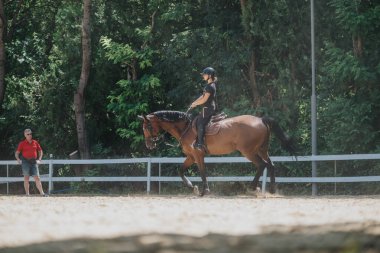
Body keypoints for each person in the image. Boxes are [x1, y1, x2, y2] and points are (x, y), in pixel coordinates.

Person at [190, 67, 218, 151]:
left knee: (200, 123)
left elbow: (205, 99)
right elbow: (202, 96)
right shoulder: (209, 85)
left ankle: (200, 143)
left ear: (209, 75)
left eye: (204, 75)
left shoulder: (210, 86)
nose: (203, 76)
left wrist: (195, 104)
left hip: (207, 108)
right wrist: (193, 103)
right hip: (207, 107)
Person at [15, 129, 48, 196]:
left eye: (30, 134)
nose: (30, 135)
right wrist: (18, 159)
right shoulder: (22, 143)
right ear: (25, 135)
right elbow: (17, 153)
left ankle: (42, 193)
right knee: (26, 178)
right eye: (28, 134)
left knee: (37, 177)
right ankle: (27, 194)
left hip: (33, 161)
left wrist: (40, 159)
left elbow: (40, 151)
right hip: (25, 162)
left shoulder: (35, 142)